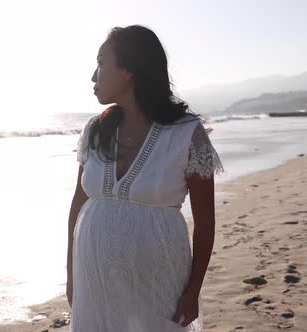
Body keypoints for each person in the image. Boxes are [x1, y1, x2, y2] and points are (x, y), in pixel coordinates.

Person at [66, 25, 223, 332]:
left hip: (158, 286)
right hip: (94, 282)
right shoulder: (95, 131)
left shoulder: (186, 134)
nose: (93, 76)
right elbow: (77, 204)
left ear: (129, 70)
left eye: (100, 63)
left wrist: (193, 292)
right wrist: (71, 275)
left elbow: (205, 223)